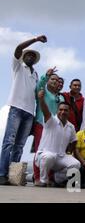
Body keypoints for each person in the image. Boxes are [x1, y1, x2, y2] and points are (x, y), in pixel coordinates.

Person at [0, 35, 46, 185]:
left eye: (33, 55)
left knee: (20, 146)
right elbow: (18, 48)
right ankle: (2, 174)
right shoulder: (18, 67)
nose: (30, 56)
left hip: (29, 113)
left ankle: (13, 176)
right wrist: (36, 39)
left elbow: (37, 93)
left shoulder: (36, 75)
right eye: (28, 54)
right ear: (23, 57)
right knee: (9, 142)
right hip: (16, 109)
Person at [34, 90, 80, 187]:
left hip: (60, 157)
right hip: (44, 156)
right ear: (57, 110)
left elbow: (74, 141)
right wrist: (41, 100)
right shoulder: (51, 120)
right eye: (61, 110)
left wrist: (69, 152)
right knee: (50, 156)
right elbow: (45, 111)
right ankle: (43, 180)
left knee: (76, 164)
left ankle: (57, 178)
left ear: (69, 112)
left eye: (65, 110)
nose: (63, 112)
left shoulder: (71, 126)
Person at [33, 68, 64, 183]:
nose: (55, 81)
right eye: (52, 79)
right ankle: (37, 177)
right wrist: (46, 75)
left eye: (57, 80)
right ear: (48, 80)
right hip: (41, 124)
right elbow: (39, 86)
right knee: (39, 151)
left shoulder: (60, 98)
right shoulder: (43, 92)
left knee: (53, 152)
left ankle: (49, 177)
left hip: (55, 128)